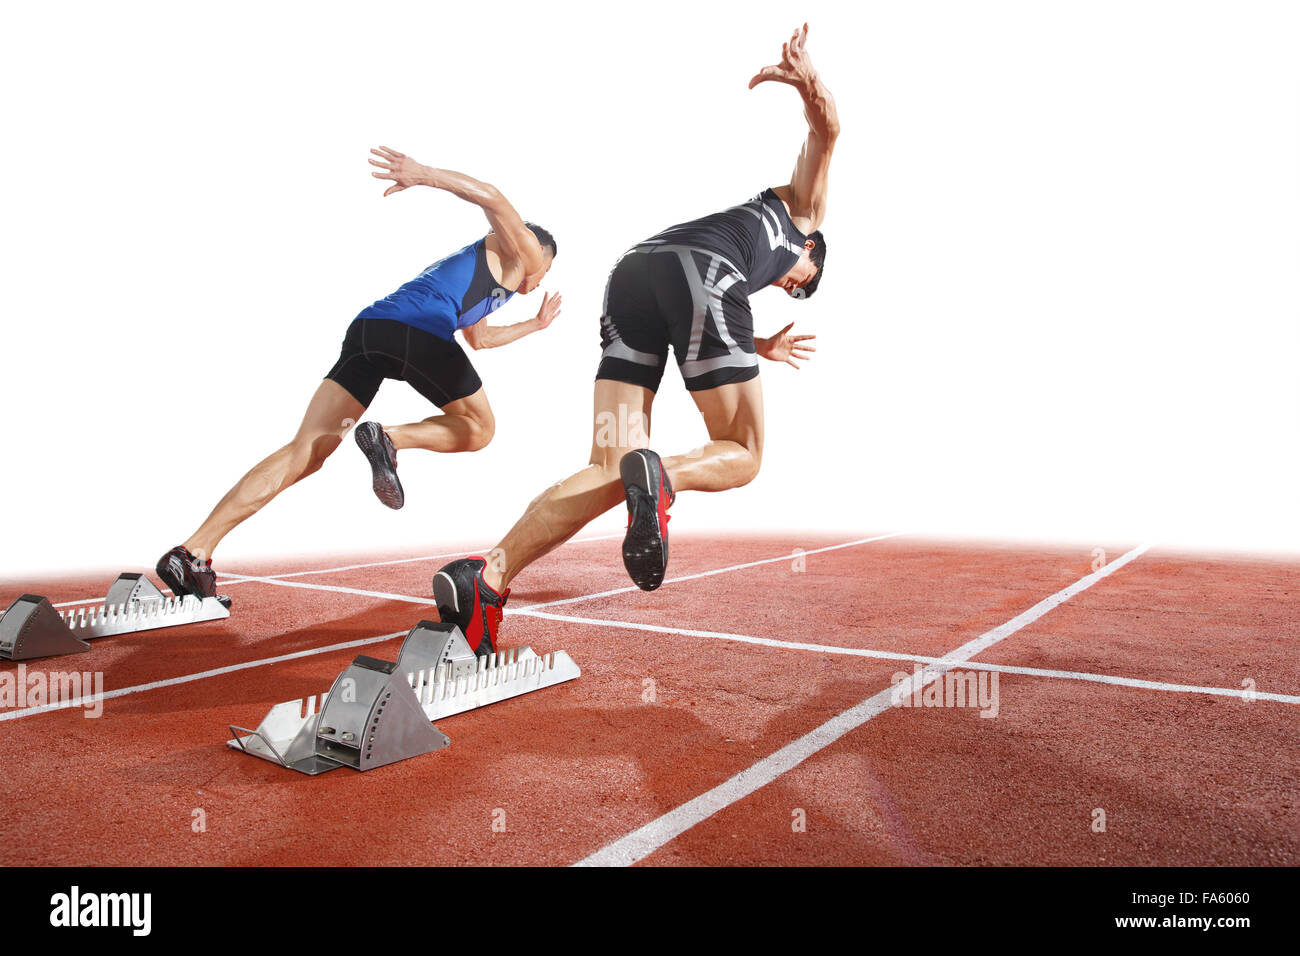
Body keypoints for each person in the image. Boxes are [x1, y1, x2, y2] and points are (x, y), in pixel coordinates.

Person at [434, 24, 835, 655]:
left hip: (636, 269)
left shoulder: (743, 236)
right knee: (744, 450)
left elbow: (695, 315)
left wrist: (759, 347)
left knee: (608, 466)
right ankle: (665, 481)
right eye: (801, 283)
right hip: (703, 275)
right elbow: (826, 132)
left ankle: (486, 578)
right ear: (810, 251)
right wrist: (809, 80)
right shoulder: (804, 214)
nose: (790, 287)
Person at [155, 147, 561, 599]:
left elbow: (480, 339)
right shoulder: (522, 250)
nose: (543, 278)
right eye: (548, 268)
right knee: (480, 430)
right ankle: (391, 439)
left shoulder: (489, 287)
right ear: (538, 253)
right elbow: (493, 197)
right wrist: (424, 173)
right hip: (416, 331)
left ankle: (192, 551)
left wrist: (535, 325)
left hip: (372, 332)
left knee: (306, 452)